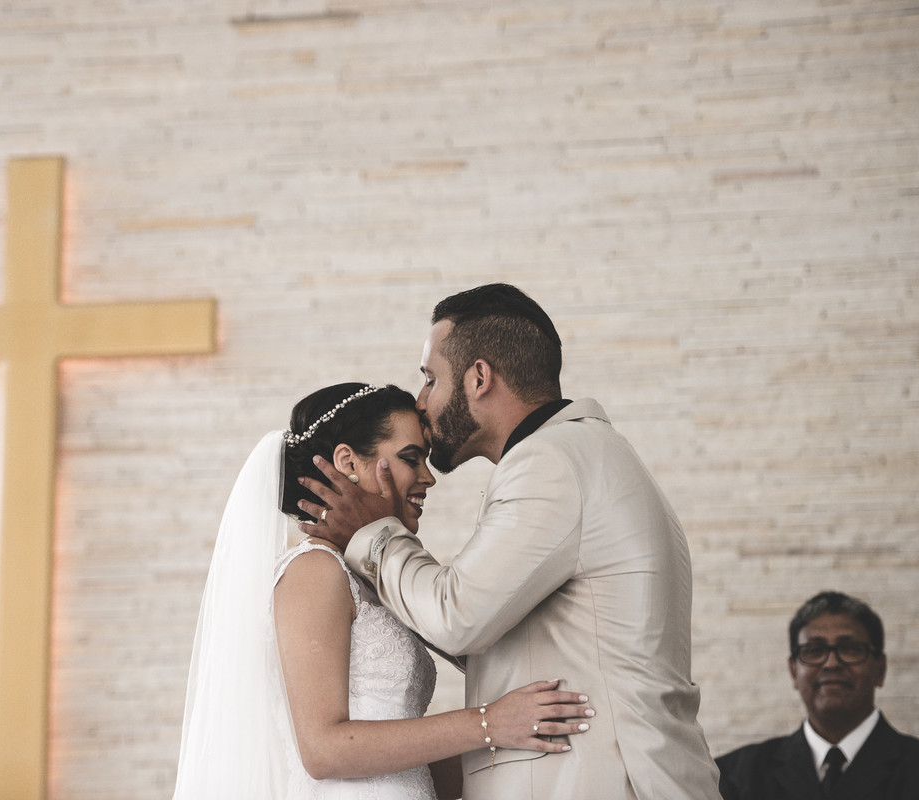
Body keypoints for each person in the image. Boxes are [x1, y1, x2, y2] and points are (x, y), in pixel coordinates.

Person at [297, 285, 722, 800]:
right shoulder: (585, 455)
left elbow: (458, 617)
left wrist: (371, 533)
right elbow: (496, 633)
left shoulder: (552, 463)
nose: (422, 401)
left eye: (430, 378)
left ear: (479, 377)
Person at [173, 382, 594, 800]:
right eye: (411, 458)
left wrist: (507, 747)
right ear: (347, 461)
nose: (428, 477)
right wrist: (487, 724)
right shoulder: (314, 570)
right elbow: (323, 750)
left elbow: (401, 760)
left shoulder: (368, 576)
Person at [715, 590, 919, 799]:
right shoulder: (733, 779)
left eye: (851, 649)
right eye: (814, 650)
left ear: (880, 669)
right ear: (793, 671)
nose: (831, 663)